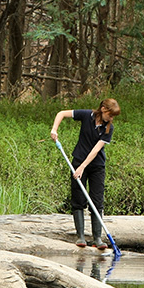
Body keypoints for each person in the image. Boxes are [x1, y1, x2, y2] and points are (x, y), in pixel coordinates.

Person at [50, 98, 120, 249]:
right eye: (110, 115)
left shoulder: (109, 128)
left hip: (96, 166)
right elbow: (61, 113)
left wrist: (82, 167)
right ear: (103, 109)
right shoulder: (86, 115)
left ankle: (97, 239)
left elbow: (96, 150)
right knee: (78, 199)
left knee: (96, 200)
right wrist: (54, 129)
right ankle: (80, 237)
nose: (112, 118)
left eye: (114, 116)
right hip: (78, 161)